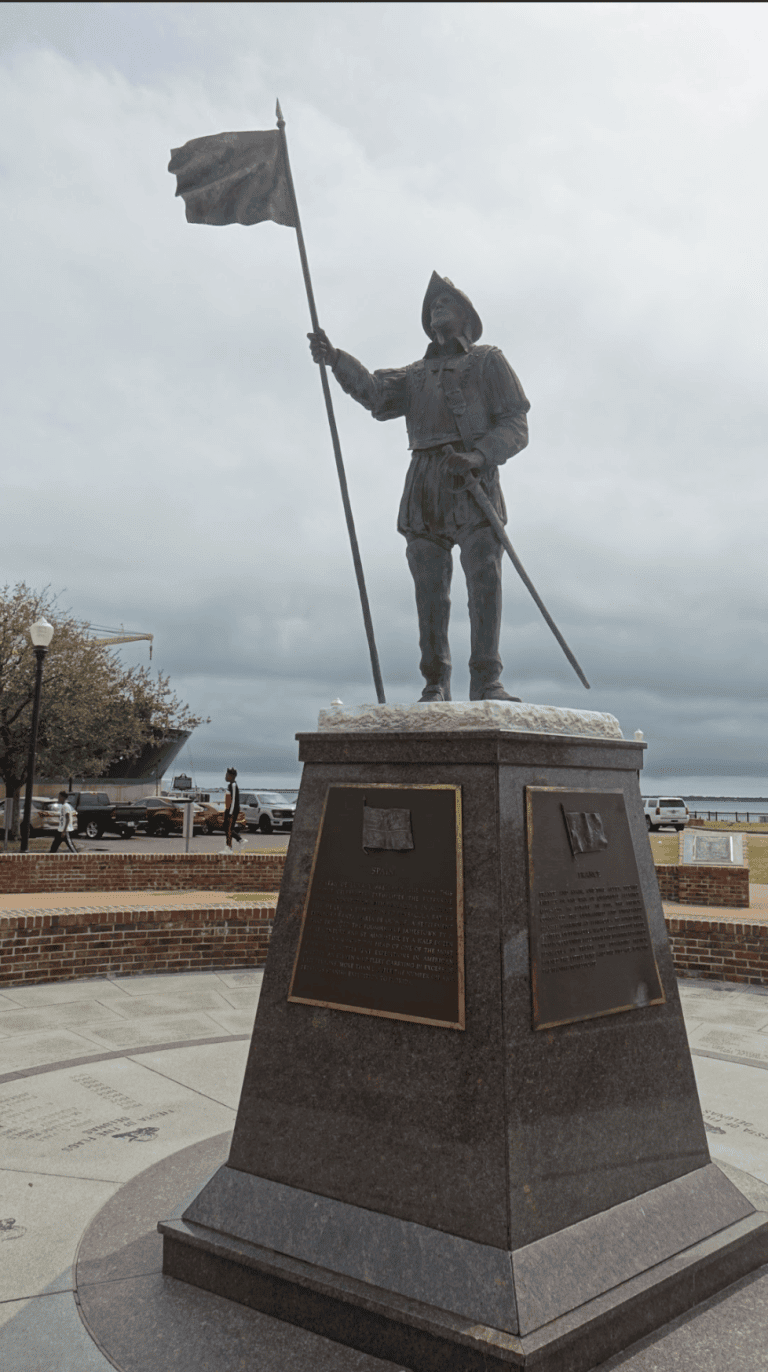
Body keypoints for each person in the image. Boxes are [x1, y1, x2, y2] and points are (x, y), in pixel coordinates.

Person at [308, 272, 530, 702]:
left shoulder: (488, 361)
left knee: (484, 577)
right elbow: (375, 394)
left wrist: (480, 454)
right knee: (430, 587)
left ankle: (487, 680)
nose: (436, 307)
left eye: (446, 301)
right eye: (432, 304)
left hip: (472, 478)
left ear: (467, 316)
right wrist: (337, 359)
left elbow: (516, 423)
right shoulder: (414, 375)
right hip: (425, 483)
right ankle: (435, 682)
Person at [220, 767, 248, 852]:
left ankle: (229, 847)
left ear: (232, 776)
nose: (226, 776)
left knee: (229, 829)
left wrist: (230, 812)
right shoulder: (230, 785)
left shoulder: (233, 785)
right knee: (226, 828)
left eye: (227, 775)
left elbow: (234, 800)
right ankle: (239, 841)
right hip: (229, 810)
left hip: (232, 811)